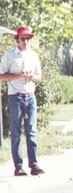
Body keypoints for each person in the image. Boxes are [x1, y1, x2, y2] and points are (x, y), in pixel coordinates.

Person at [0, 26, 44, 176]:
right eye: (23, 39)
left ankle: (34, 165)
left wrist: (32, 76)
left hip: (30, 96)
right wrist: (17, 75)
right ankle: (18, 166)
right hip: (15, 96)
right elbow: (1, 75)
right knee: (16, 133)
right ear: (17, 40)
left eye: (28, 39)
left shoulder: (33, 56)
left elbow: (39, 77)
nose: (25, 42)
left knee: (31, 132)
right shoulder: (10, 55)